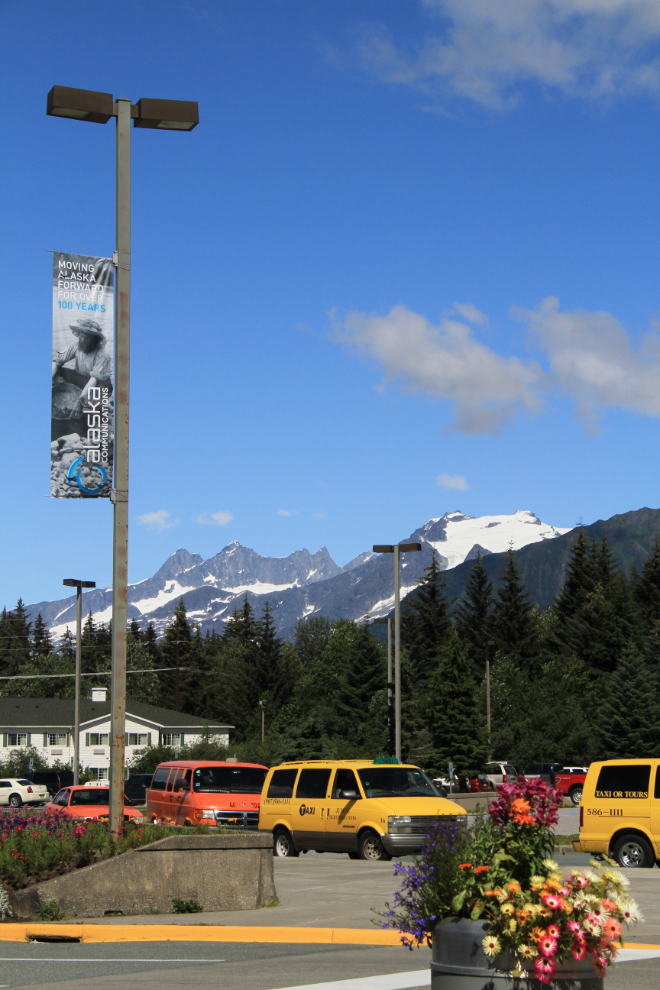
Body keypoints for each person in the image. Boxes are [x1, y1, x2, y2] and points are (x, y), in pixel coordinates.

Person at [52, 319, 112, 417]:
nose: (82, 340)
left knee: (90, 407)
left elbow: (94, 379)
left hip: (99, 384)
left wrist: (80, 400)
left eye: (86, 338)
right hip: (81, 378)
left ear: (94, 339)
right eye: (81, 337)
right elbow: (57, 361)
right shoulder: (76, 347)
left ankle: (100, 405)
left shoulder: (103, 355)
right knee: (58, 370)